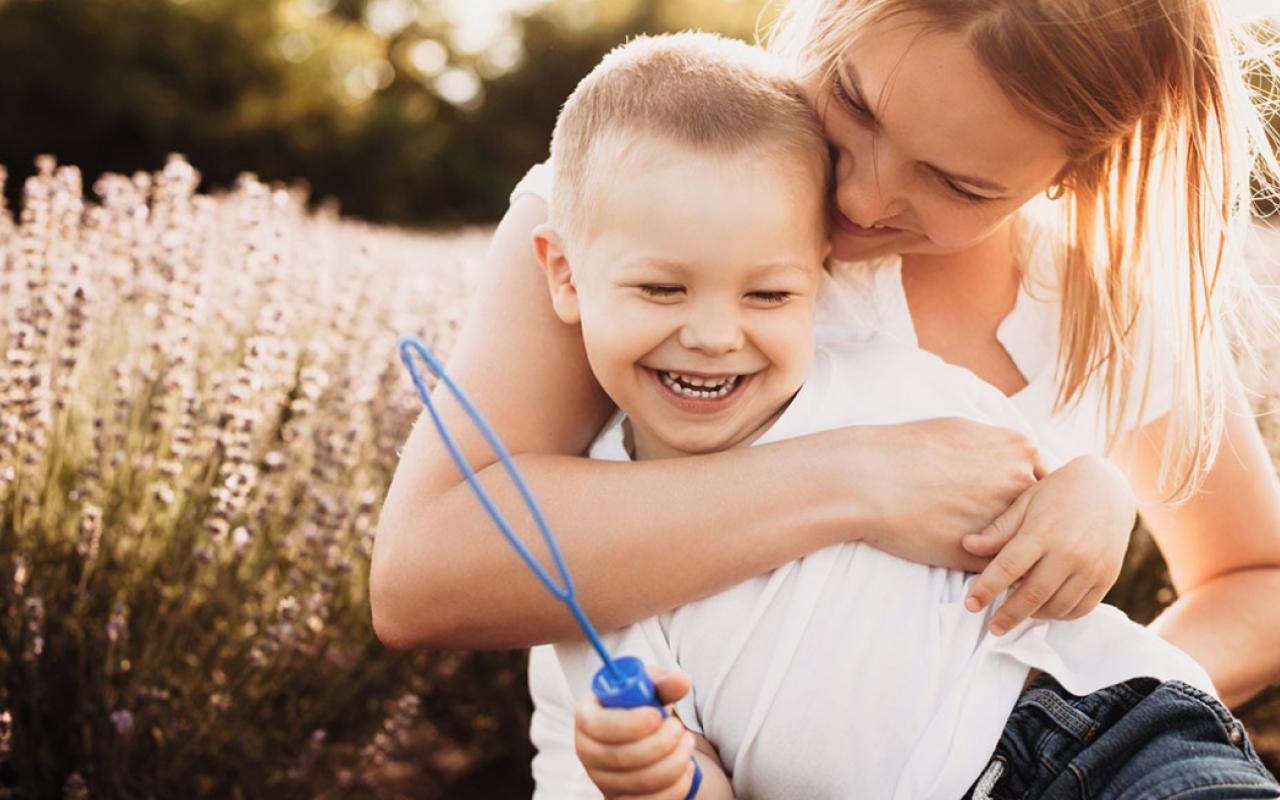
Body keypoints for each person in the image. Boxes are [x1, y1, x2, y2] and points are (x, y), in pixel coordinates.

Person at [371, 0, 1280, 769]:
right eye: (852, 100)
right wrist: (855, 480)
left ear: (1071, 173)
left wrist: (1058, 731)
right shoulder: (642, 198)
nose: (859, 198)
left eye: (957, 184)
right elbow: (427, 572)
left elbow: (1255, 577)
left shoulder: (1099, 300)